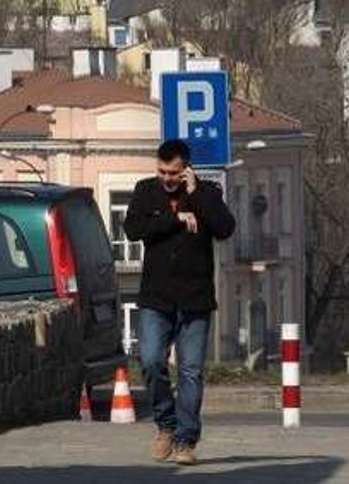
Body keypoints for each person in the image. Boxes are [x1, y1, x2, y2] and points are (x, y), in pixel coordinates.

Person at [124, 139, 235, 466]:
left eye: (173, 173)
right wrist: (174, 219)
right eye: (162, 171)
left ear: (186, 168)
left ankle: (186, 440)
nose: (167, 178)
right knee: (150, 360)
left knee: (189, 372)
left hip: (195, 298)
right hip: (155, 297)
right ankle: (166, 425)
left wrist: (196, 194)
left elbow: (225, 228)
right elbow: (133, 229)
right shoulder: (146, 191)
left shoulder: (208, 192)